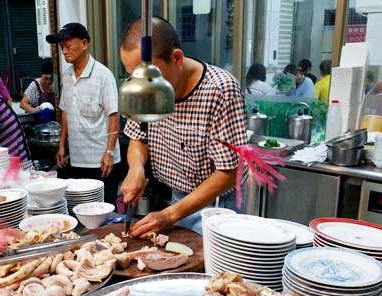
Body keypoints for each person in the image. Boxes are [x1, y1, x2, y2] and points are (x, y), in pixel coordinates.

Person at [119, 17, 247, 236]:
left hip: (217, 205)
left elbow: (229, 172)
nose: (140, 83)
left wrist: (169, 215)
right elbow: (138, 137)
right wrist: (136, 168)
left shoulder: (220, 90)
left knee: (211, 267)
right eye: (133, 75)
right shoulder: (144, 89)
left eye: (149, 76)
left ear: (176, 58)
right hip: (176, 196)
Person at [46, 23, 120, 207]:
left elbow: (114, 115)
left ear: (84, 43)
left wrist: (109, 152)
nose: (64, 51)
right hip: (77, 159)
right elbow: (65, 112)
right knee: (80, 209)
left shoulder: (104, 75)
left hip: (101, 161)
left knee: (103, 211)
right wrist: (62, 145)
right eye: (61, 47)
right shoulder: (67, 75)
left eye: (68, 46)